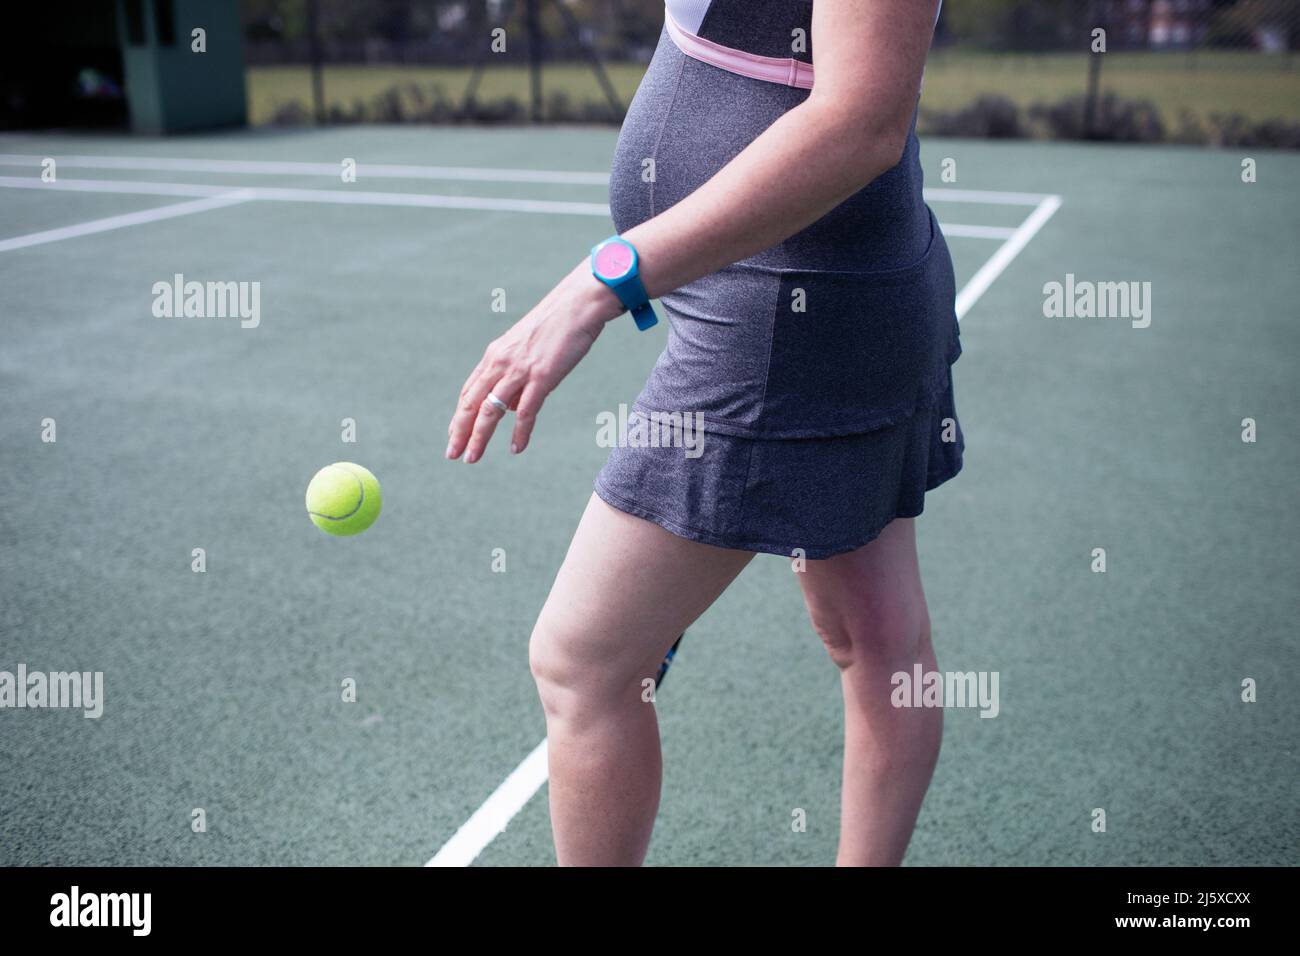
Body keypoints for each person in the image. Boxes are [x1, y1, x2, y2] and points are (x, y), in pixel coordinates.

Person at [446, 0, 961, 866]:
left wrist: (604, 282)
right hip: (772, 282)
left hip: (790, 304)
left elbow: (863, 120)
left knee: (585, 663)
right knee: (872, 631)